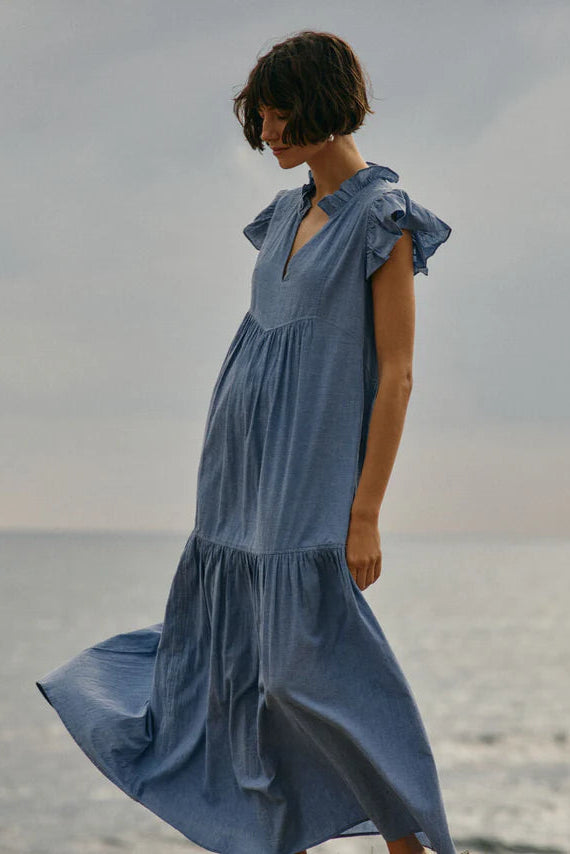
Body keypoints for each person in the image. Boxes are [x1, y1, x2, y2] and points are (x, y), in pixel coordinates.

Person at [36, 29, 468, 854]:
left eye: (278, 115)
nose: (266, 134)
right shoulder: (280, 215)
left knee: (306, 670)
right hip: (239, 471)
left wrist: (366, 511)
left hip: (311, 469)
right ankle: (276, 834)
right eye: (261, 118)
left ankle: (412, 841)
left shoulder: (383, 219)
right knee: (236, 676)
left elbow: (397, 374)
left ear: (322, 107)